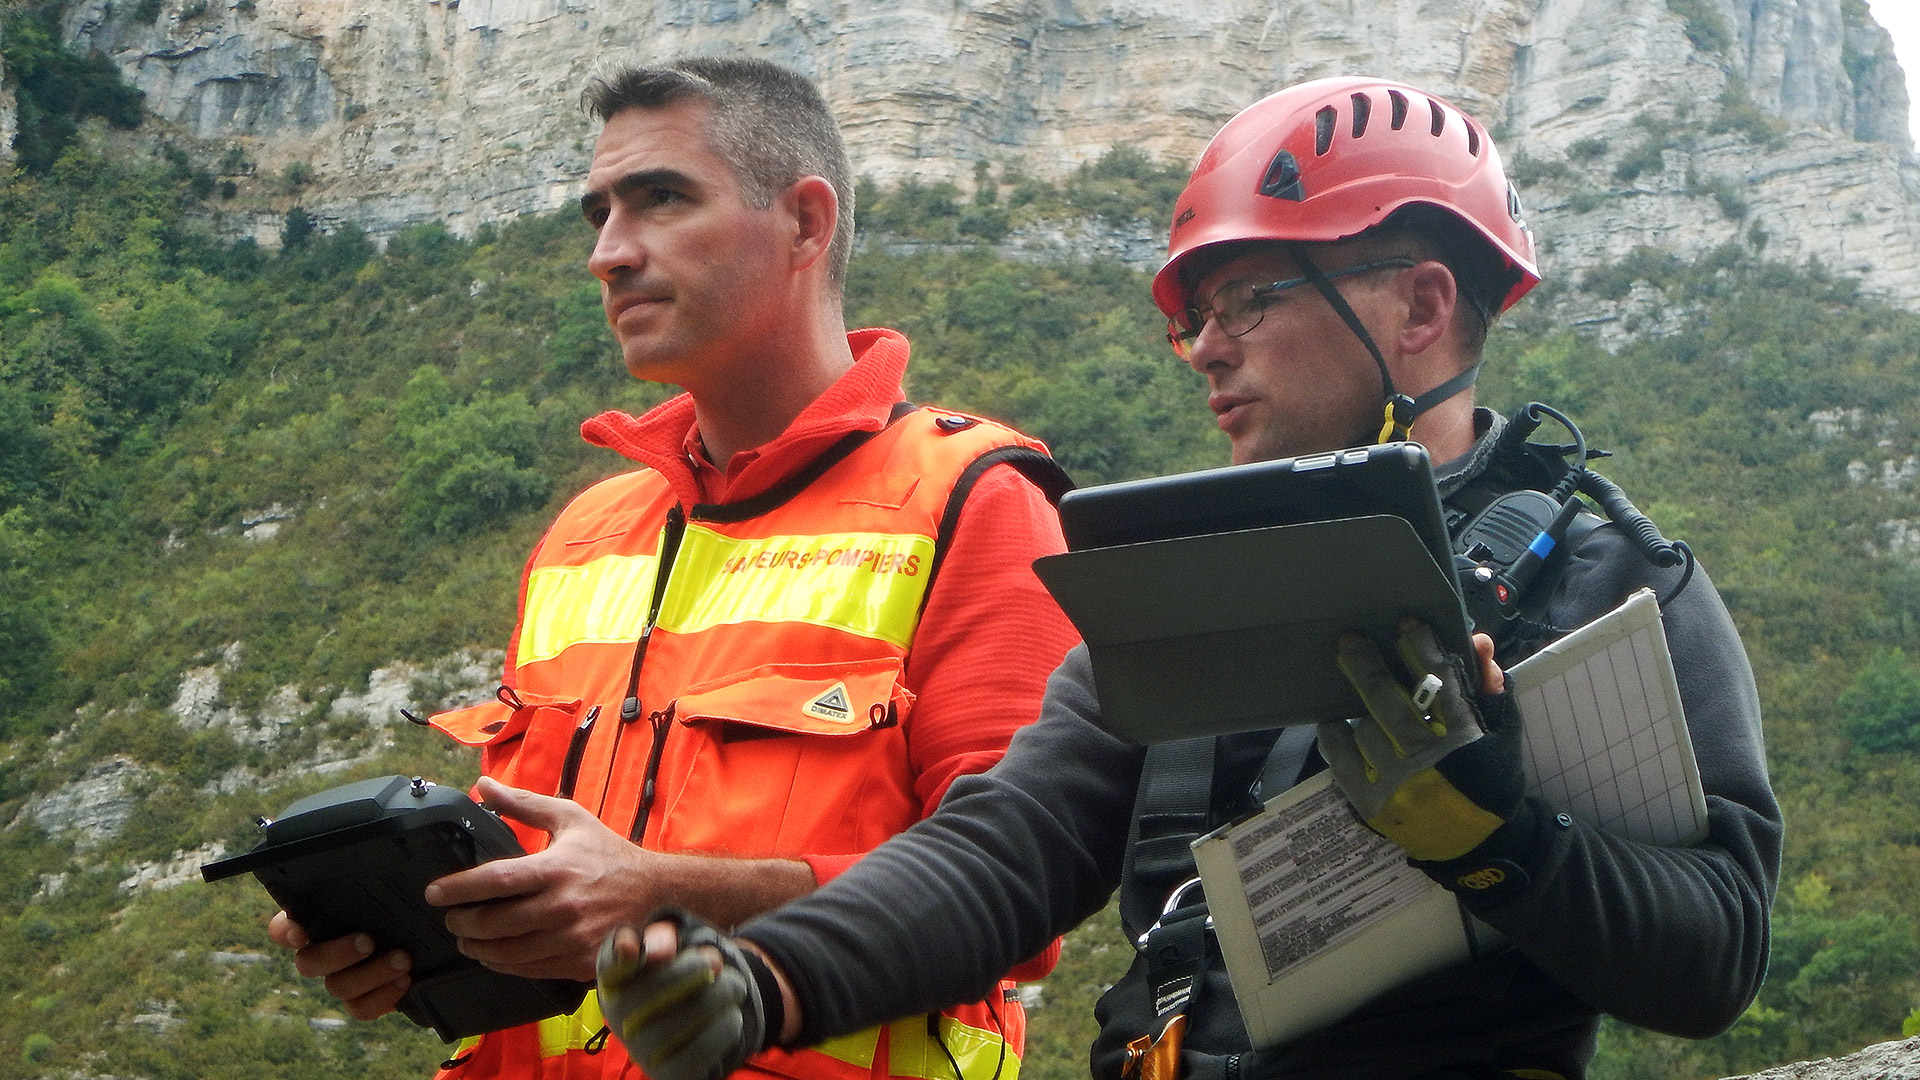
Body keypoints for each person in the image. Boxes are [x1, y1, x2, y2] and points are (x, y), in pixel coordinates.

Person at [594, 76, 1783, 1080]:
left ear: (1421, 304)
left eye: (1250, 300)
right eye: (1196, 316)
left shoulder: (1606, 580)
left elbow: (1715, 955)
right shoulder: (1177, 584)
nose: (1206, 346)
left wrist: (1499, 839)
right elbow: (1007, 849)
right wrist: (768, 977)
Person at [265, 56, 1081, 1080]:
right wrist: (425, 931)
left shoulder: (975, 497)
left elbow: (1020, 899)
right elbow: (558, 883)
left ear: (806, 223)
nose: (608, 253)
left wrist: (661, 891)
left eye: (659, 200)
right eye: (598, 214)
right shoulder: (584, 534)